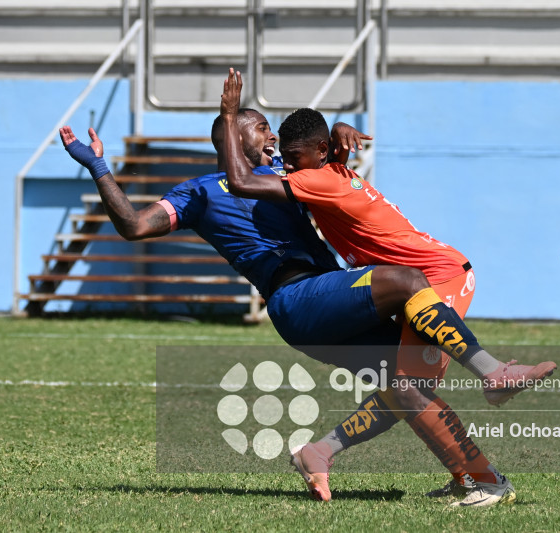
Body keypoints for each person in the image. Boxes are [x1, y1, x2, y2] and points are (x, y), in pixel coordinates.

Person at [60, 110, 517, 507]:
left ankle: (478, 479)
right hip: (297, 299)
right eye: (261, 127)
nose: (272, 137)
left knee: (408, 389)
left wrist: (338, 130)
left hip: (336, 296)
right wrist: (99, 166)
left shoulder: (281, 172)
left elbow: (323, 149)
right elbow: (135, 226)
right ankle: (490, 372)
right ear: (234, 137)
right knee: (405, 280)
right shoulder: (197, 192)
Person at [220, 68, 557, 507]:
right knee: (406, 390)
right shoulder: (329, 169)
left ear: (319, 151)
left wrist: (228, 115)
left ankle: (494, 381)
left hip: (440, 277)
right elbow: (327, 149)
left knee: (407, 390)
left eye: (293, 155)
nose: (286, 162)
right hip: (427, 274)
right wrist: (337, 130)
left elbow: (241, 182)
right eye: (283, 154)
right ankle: (323, 452)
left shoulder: (317, 178)